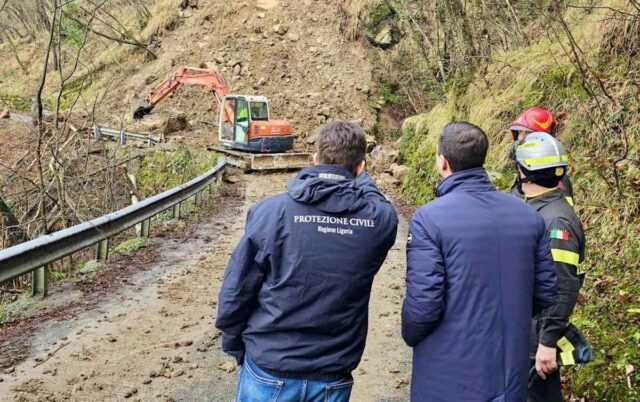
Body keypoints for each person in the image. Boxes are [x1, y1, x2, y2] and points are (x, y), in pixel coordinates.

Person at [216, 121, 398, 402]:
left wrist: (233, 343)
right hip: (332, 373)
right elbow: (379, 200)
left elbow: (237, 288)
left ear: (314, 160)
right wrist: (358, 174)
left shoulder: (270, 212)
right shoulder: (379, 221)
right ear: (360, 168)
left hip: (270, 366)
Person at [401, 121, 558, 401]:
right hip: (508, 372)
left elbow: (423, 304)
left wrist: (411, 335)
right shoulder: (527, 215)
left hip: (448, 373)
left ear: (443, 161)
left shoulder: (429, 219)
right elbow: (545, 291)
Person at [513, 132, 586, 402]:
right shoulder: (539, 209)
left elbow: (564, 285)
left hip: (538, 337)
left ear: (525, 172)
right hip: (528, 329)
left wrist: (547, 343)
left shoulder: (556, 222)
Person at [509, 107, 575, 205]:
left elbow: (558, 212)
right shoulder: (528, 169)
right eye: (520, 132)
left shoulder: (554, 177)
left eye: (527, 133)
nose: (521, 138)